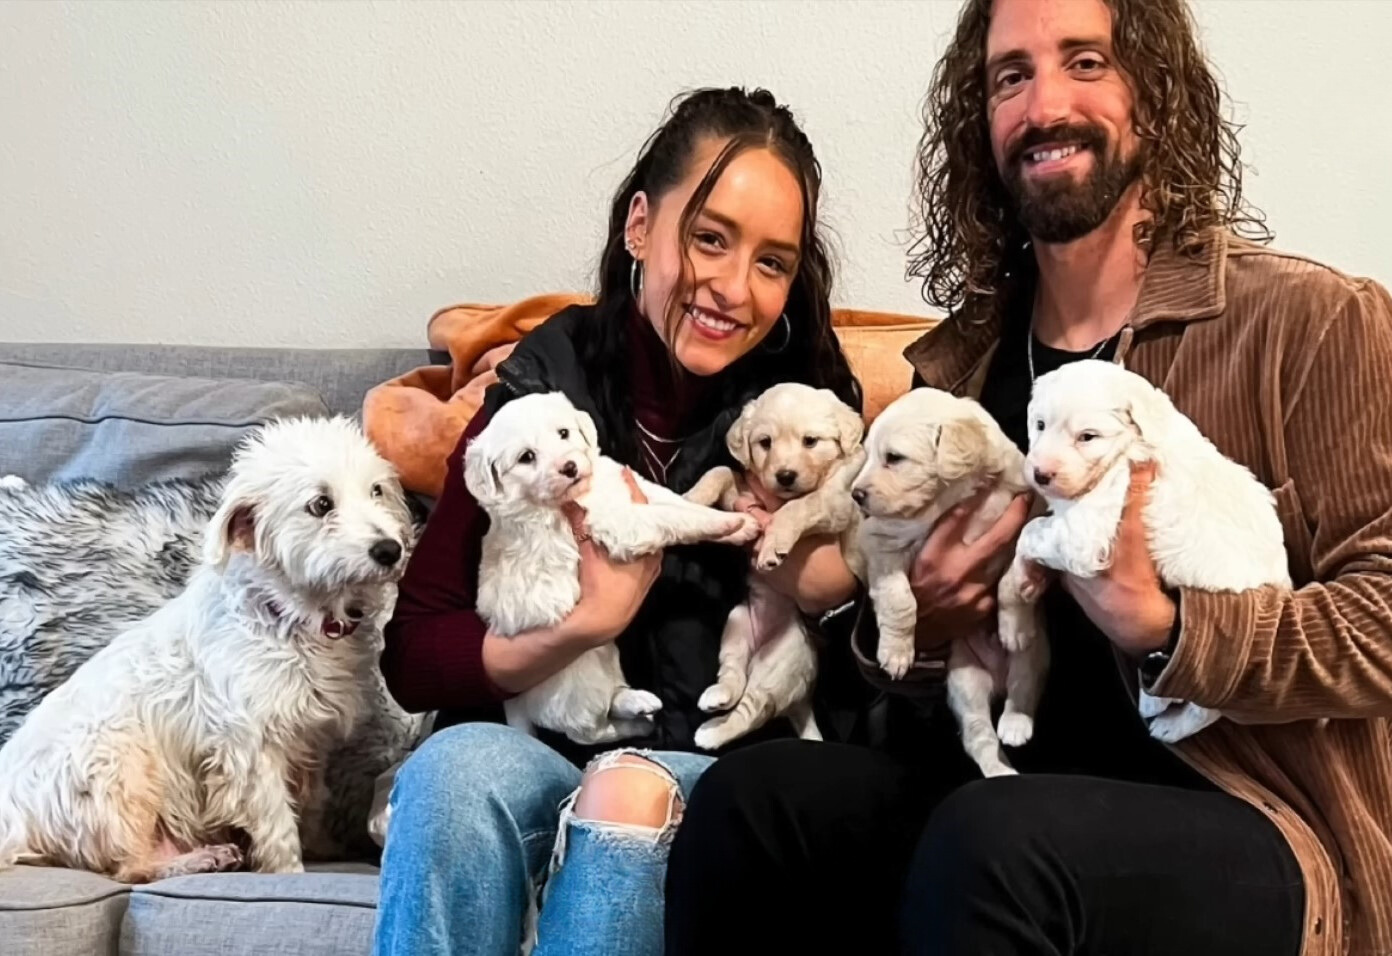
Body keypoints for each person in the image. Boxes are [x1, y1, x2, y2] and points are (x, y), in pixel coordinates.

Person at [665, 2, 1392, 955]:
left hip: (1250, 816)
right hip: (1004, 780)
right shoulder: (959, 371)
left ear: (1155, 95)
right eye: (1011, 76)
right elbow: (903, 680)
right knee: (752, 800)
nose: (1044, 103)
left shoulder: (1310, 323)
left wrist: (1170, 630)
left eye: (1084, 61)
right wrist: (926, 624)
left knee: (994, 843)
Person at [371, 86, 869, 956]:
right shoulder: (539, 386)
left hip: (711, 752)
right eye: (709, 238)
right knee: (450, 776)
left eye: (772, 262)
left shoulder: (807, 415)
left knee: (628, 797)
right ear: (641, 226)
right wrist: (585, 625)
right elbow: (414, 654)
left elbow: (870, 672)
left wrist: (832, 587)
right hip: (532, 732)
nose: (733, 289)